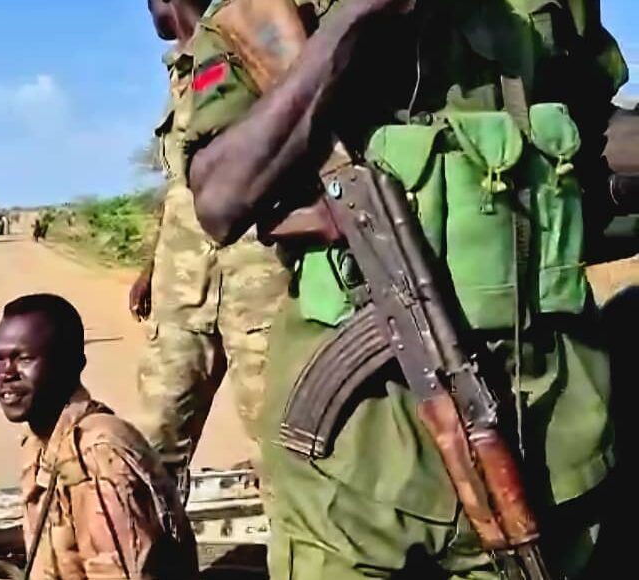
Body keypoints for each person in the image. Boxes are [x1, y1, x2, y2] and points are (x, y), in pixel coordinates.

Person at [181, 0, 628, 577]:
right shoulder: (268, 11)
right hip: (353, 478)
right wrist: (353, 21)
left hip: (544, 446)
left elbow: (592, 131)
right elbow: (220, 198)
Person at [131, 0, 288, 500]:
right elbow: (180, 186)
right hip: (183, 292)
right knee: (153, 447)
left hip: (257, 290)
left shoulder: (253, 41)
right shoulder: (183, 72)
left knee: (280, 447)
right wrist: (151, 265)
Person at [0, 293, 198, 579]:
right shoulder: (43, 437)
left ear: (70, 364)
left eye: (24, 358)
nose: (7, 373)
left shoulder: (97, 455)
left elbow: (119, 571)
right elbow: (58, 532)